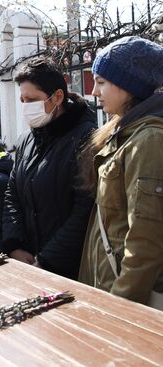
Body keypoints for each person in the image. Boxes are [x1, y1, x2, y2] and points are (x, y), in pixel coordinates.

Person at [78, 36, 163, 308]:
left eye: (101, 82)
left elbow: (145, 240)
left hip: (126, 298)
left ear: (130, 85)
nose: (93, 92)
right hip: (108, 286)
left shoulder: (148, 140)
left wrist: (120, 306)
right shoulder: (124, 133)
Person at [0, 58, 96, 280]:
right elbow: (12, 193)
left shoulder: (86, 138)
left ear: (58, 97)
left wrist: (46, 259)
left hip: (70, 268)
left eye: (32, 99)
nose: (25, 107)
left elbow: (84, 210)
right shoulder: (26, 139)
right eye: (22, 100)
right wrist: (15, 245)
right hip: (28, 262)